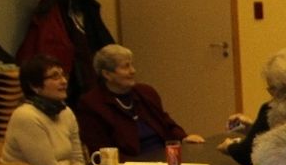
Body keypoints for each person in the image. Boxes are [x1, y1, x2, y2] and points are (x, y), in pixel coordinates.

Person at [74, 44, 204, 157]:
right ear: (107, 74)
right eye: (125, 67)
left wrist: (184, 138)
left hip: (165, 157)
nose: (133, 71)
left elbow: (166, 123)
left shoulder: (146, 92)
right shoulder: (92, 104)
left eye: (132, 65)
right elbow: (102, 151)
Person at [219, 48, 286, 165]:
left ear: (277, 89)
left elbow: (248, 154)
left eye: (271, 88)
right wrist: (253, 128)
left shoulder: (272, 110)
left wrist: (229, 147)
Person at [1, 53, 86, 165]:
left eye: (63, 75)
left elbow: (80, 162)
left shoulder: (66, 112)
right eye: (55, 76)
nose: (64, 81)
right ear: (34, 86)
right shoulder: (26, 116)